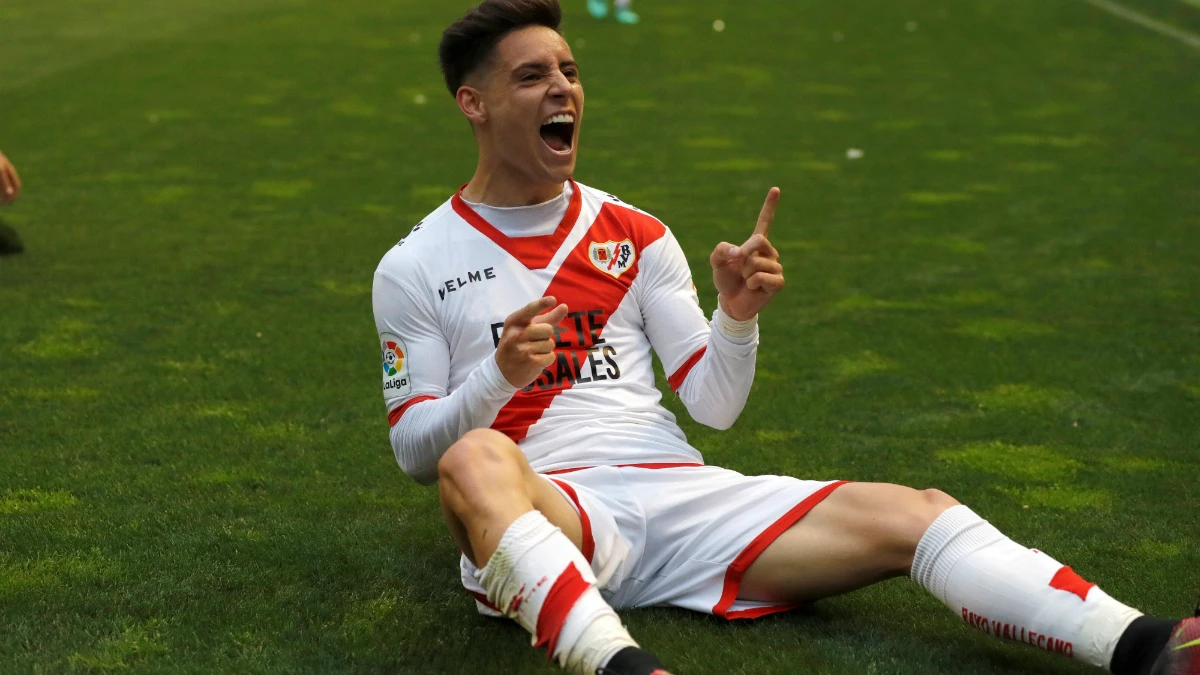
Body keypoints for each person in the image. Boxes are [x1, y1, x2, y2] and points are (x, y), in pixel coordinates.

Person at [371, 2, 1198, 674]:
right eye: (532, 76)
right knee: (473, 457)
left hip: (678, 494)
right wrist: (497, 379)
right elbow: (417, 453)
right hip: (553, 510)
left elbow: (715, 407)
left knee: (920, 513)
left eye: (571, 71)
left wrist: (735, 315)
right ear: (472, 103)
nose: (564, 89)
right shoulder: (415, 264)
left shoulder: (637, 233)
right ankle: (619, 664)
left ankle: (1147, 643)